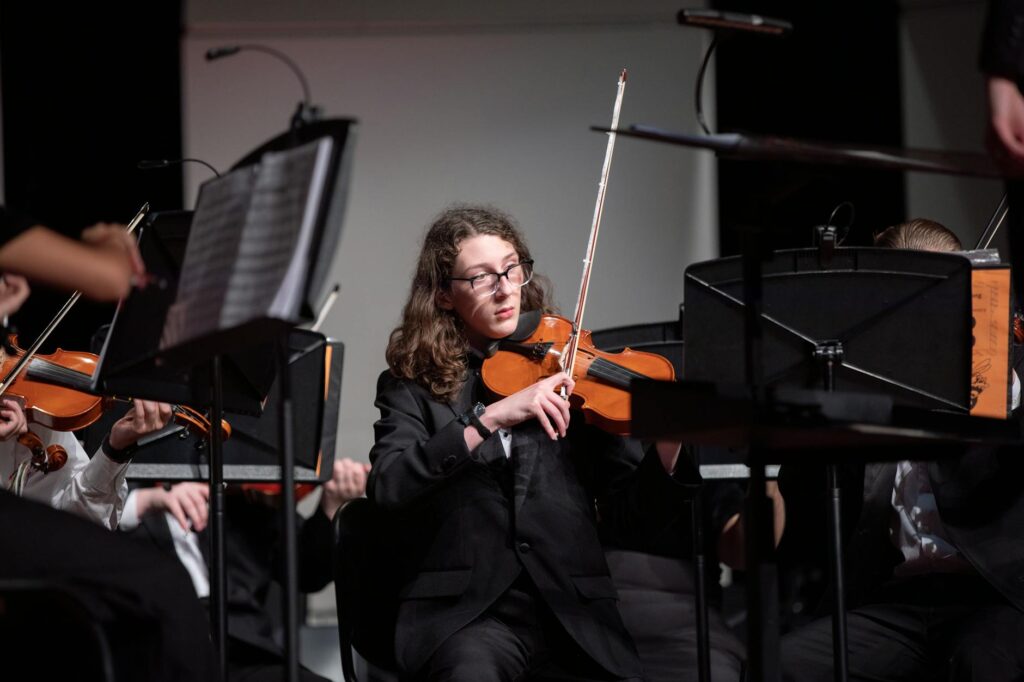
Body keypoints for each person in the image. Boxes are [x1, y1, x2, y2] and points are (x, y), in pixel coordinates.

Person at [367, 204, 690, 681]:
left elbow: (630, 522)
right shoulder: (410, 385)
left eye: (511, 268)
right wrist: (490, 417)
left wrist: (668, 449)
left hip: (574, 612)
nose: (504, 288)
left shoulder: (567, 370)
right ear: (442, 296)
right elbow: (389, 485)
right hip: (469, 616)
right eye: (480, 277)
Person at [779, 219, 1024, 681]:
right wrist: (821, 394)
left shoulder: (1009, 378)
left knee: (979, 661)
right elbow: (808, 507)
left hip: (995, 594)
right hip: (899, 599)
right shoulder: (874, 381)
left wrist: (996, 380)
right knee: (785, 666)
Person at [0, 204, 217, 681]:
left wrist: (117, 447)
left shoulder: (31, 400)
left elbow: (78, 520)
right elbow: (110, 277)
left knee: (138, 592)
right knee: (154, 588)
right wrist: (109, 251)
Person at [120, 457, 370, 682]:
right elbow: (85, 512)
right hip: (153, 646)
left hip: (242, 648)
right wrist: (142, 502)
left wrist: (332, 506)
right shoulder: (111, 478)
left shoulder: (233, 472)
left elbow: (305, 572)